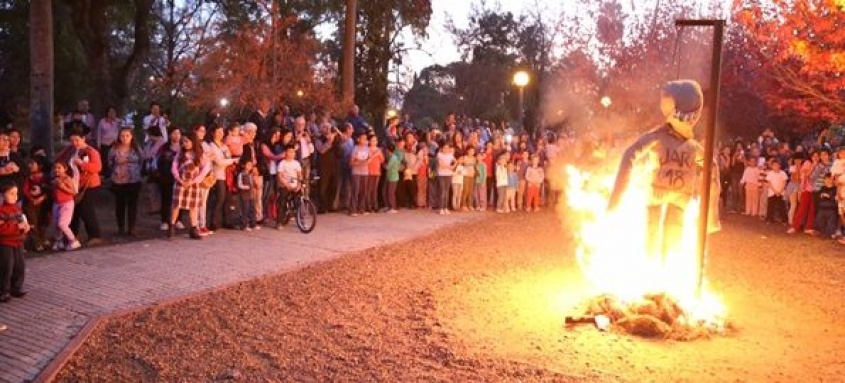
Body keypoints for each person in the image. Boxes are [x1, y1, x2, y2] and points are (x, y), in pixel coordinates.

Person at [608, 80, 719, 261]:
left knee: (662, 234)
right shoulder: (678, 143)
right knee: (665, 234)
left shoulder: (666, 140)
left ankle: (659, 271)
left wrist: (616, 198)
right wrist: (712, 215)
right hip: (675, 194)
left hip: (664, 193)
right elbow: (711, 167)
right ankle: (657, 270)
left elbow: (630, 154)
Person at [55, 126, 104, 246]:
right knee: (73, 210)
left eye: (77, 140)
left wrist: (82, 164)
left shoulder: (91, 151)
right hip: (73, 184)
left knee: (86, 209)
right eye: (72, 140)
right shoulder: (69, 149)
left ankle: (95, 235)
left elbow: (97, 168)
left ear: (83, 138)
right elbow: (59, 159)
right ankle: (72, 235)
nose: (74, 143)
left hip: (89, 184)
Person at [168, 133, 210, 239]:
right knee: (176, 205)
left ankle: (193, 228)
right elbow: (174, 167)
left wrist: (195, 181)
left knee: (193, 207)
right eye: (183, 142)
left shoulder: (199, 155)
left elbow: (205, 169)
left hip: (193, 184)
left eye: (187, 141)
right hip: (181, 182)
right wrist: (179, 179)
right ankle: (171, 226)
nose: (185, 144)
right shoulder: (180, 154)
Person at [108, 127, 143, 236]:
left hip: (133, 179)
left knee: (132, 204)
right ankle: (121, 227)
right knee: (120, 204)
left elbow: (142, 160)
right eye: (122, 136)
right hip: (119, 180)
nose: (124, 138)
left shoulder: (136, 148)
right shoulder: (114, 148)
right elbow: (109, 161)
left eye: (127, 136)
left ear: (132, 136)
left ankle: (132, 227)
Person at [0, 183, 29, 302]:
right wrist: (17, 227)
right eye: (11, 194)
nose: (15, 196)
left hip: (18, 242)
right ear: (3, 195)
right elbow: (1, 228)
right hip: (6, 243)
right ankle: (3, 291)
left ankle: (16, 288)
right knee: (6, 267)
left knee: (19, 266)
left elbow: (22, 220)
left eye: (16, 193)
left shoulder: (17, 208)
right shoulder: (1, 210)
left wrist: (26, 227)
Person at [206, 125, 236, 232]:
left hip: (227, 175)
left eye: (222, 131)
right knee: (219, 198)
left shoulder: (223, 145)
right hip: (217, 175)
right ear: (213, 133)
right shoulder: (211, 146)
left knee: (227, 199)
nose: (220, 133)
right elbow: (219, 162)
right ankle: (213, 222)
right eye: (218, 131)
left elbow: (227, 157)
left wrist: (229, 160)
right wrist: (232, 161)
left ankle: (226, 221)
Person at [23, 156, 50, 251]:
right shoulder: (27, 177)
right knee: (33, 223)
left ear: (40, 165)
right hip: (30, 205)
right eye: (29, 163)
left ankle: (42, 239)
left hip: (43, 204)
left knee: (43, 222)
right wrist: (32, 199)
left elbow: (50, 190)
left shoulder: (46, 177)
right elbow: (25, 190)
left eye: (32, 163)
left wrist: (42, 197)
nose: (29, 165)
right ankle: (36, 243)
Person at [276, 144, 303, 229]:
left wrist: (299, 185)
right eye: (290, 152)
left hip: (295, 185)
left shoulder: (296, 163)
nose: (292, 154)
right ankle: (279, 222)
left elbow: (300, 175)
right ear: (286, 153)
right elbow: (279, 176)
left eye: (293, 152)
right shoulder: (282, 163)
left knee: (299, 202)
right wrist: (286, 184)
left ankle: (300, 219)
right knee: (282, 203)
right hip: (285, 186)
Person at [348, 132, 370, 216]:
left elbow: (369, 158)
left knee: (363, 191)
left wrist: (366, 161)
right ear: (358, 139)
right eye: (363, 138)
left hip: (365, 172)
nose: (364, 140)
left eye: (365, 139)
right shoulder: (355, 149)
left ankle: (362, 209)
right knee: (355, 190)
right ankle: (352, 209)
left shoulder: (367, 148)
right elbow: (351, 162)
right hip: (356, 172)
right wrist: (357, 161)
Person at [236, 158, 257, 231]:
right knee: (245, 209)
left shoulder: (250, 174)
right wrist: (246, 187)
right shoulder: (241, 174)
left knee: (252, 209)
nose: (250, 166)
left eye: (251, 165)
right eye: (248, 165)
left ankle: (253, 224)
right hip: (244, 195)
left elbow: (252, 183)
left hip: (251, 194)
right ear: (244, 165)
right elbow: (239, 185)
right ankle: (244, 225)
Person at [765, 159, 788, 224]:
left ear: (779, 166)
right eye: (774, 165)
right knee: (770, 206)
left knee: (781, 207)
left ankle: (784, 220)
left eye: (777, 165)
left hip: (781, 193)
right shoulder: (770, 173)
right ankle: (769, 219)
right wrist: (775, 191)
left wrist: (780, 191)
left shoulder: (783, 173)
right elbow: (769, 183)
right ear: (771, 166)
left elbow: (784, 182)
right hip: (772, 193)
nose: (775, 167)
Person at [815, 173, 838, 238]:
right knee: (819, 221)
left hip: (831, 209)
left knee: (831, 223)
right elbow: (818, 197)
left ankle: (829, 233)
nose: (828, 180)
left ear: (833, 180)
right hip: (822, 208)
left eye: (830, 179)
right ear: (824, 180)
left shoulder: (835, 189)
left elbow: (836, 199)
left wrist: (829, 196)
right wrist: (820, 196)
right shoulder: (822, 188)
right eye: (826, 179)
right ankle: (823, 232)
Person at [436, 141, 456, 215]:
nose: (446, 149)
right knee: (442, 191)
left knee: (447, 192)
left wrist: (453, 167)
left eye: (447, 148)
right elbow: (441, 165)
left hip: (449, 174)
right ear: (442, 148)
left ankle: (445, 208)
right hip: (441, 174)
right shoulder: (439, 155)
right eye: (445, 148)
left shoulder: (450, 155)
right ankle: (441, 208)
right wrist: (450, 167)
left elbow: (455, 161)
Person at [365, 135, 384, 214]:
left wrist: (378, 154)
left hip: (377, 171)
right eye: (372, 140)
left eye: (375, 140)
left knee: (375, 190)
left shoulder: (379, 150)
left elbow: (382, 160)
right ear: (369, 141)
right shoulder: (367, 149)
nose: (374, 142)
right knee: (369, 189)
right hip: (369, 171)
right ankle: (368, 206)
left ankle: (375, 206)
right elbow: (367, 160)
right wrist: (374, 155)